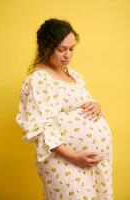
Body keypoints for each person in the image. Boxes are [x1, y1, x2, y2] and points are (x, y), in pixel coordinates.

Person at [16, 18, 113, 200]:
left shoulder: (73, 75)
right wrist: (74, 156)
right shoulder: (38, 80)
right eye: (61, 49)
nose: (68, 55)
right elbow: (40, 128)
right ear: (46, 47)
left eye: (71, 49)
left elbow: (85, 102)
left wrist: (96, 105)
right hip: (64, 161)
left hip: (95, 162)